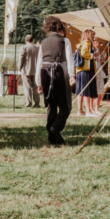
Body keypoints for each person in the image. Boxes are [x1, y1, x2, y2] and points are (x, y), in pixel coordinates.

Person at [35, 16, 74, 145]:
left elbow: (39, 62)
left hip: (45, 73)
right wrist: (72, 76)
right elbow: (69, 60)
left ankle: (52, 136)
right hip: (59, 73)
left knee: (51, 105)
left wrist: (38, 82)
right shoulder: (65, 40)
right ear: (59, 27)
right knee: (65, 106)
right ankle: (55, 128)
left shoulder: (43, 42)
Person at [76, 30, 99, 116]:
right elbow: (84, 53)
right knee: (86, 91)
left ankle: (80, 110)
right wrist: (94, 55)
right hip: (86, 69)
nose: (94, 37)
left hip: (80, 70)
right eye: (93, 35)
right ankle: (88, 111)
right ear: (88, 35)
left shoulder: (82, 43)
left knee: (81, 91)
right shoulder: (87, 42)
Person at [19, 34, 40, 108]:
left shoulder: (23, 48)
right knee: (36, 87)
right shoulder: (37, 48)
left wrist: (19, 67)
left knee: (27, 87)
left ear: (26, 40)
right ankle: (37, 103)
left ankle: (28, 103)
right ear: (32, 40)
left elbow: (21, 59)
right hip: (36, 70)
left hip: (26, 70)